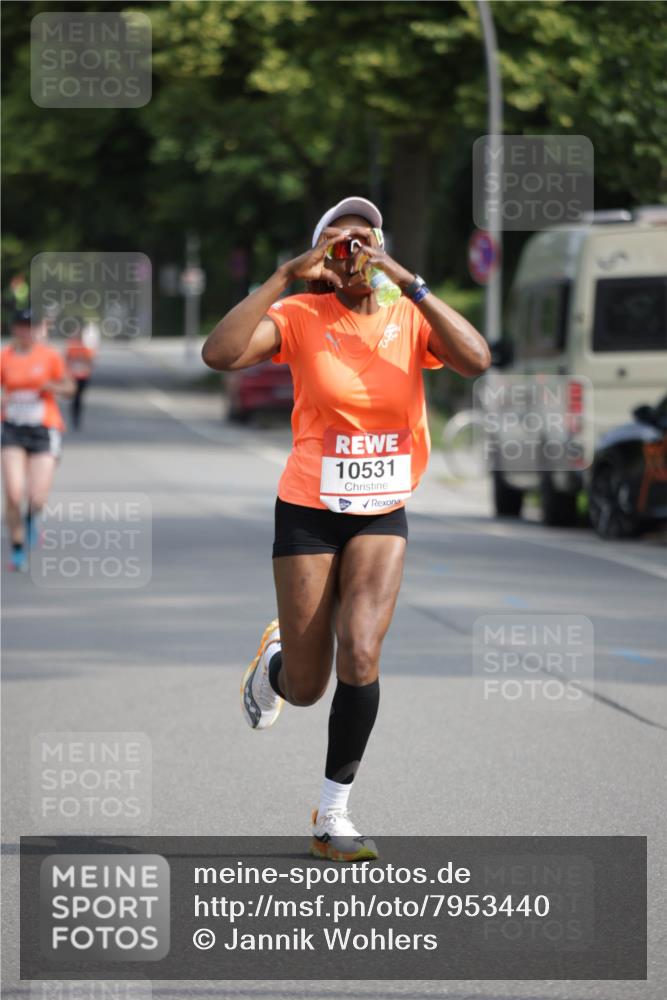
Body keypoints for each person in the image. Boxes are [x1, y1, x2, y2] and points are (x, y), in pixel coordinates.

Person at [202, 196, 490, 861]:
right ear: (320, 256)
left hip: (382, 511)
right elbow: (218, 354)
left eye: (366, 237)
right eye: (339, 240)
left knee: (360, 648)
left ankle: (333, 816)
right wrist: (283, 276)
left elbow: (475, 359)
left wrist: (408, 279)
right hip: (308, 507)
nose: (354, 248)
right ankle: (276, 664)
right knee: (308, 688)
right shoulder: (299, 315)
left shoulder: (406, 314)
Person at [1, 309, 75, 571]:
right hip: (12, 429)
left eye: (31, 327)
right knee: (13, 492)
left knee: (37, 497)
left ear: (39, 330)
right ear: (15, 329)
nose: (26, 331)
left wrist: (51, 387)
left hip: (44, 430)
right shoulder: (4, 357)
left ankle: (33, 519)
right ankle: (18, 550)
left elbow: (69, 388)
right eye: (22, 326)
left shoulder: (50, 356)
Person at [65, 322, 96, 429]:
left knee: (79, 398)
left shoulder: (87, 346)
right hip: (73, 376)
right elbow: (67, 358)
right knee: (74, 397)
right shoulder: (72, 344)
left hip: (83, 375)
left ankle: (77, 418)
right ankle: (74, 417)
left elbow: (91, 360)